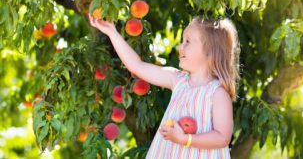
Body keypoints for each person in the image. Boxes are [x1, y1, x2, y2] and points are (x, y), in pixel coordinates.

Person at [88, 14, 240, 159]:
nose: (180, 47)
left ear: (210, 52)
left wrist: (185, 139)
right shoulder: (178, 80)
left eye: (187, 42)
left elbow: (222, 137)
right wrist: (112, 32)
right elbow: (136, 66)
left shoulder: (217, 94)